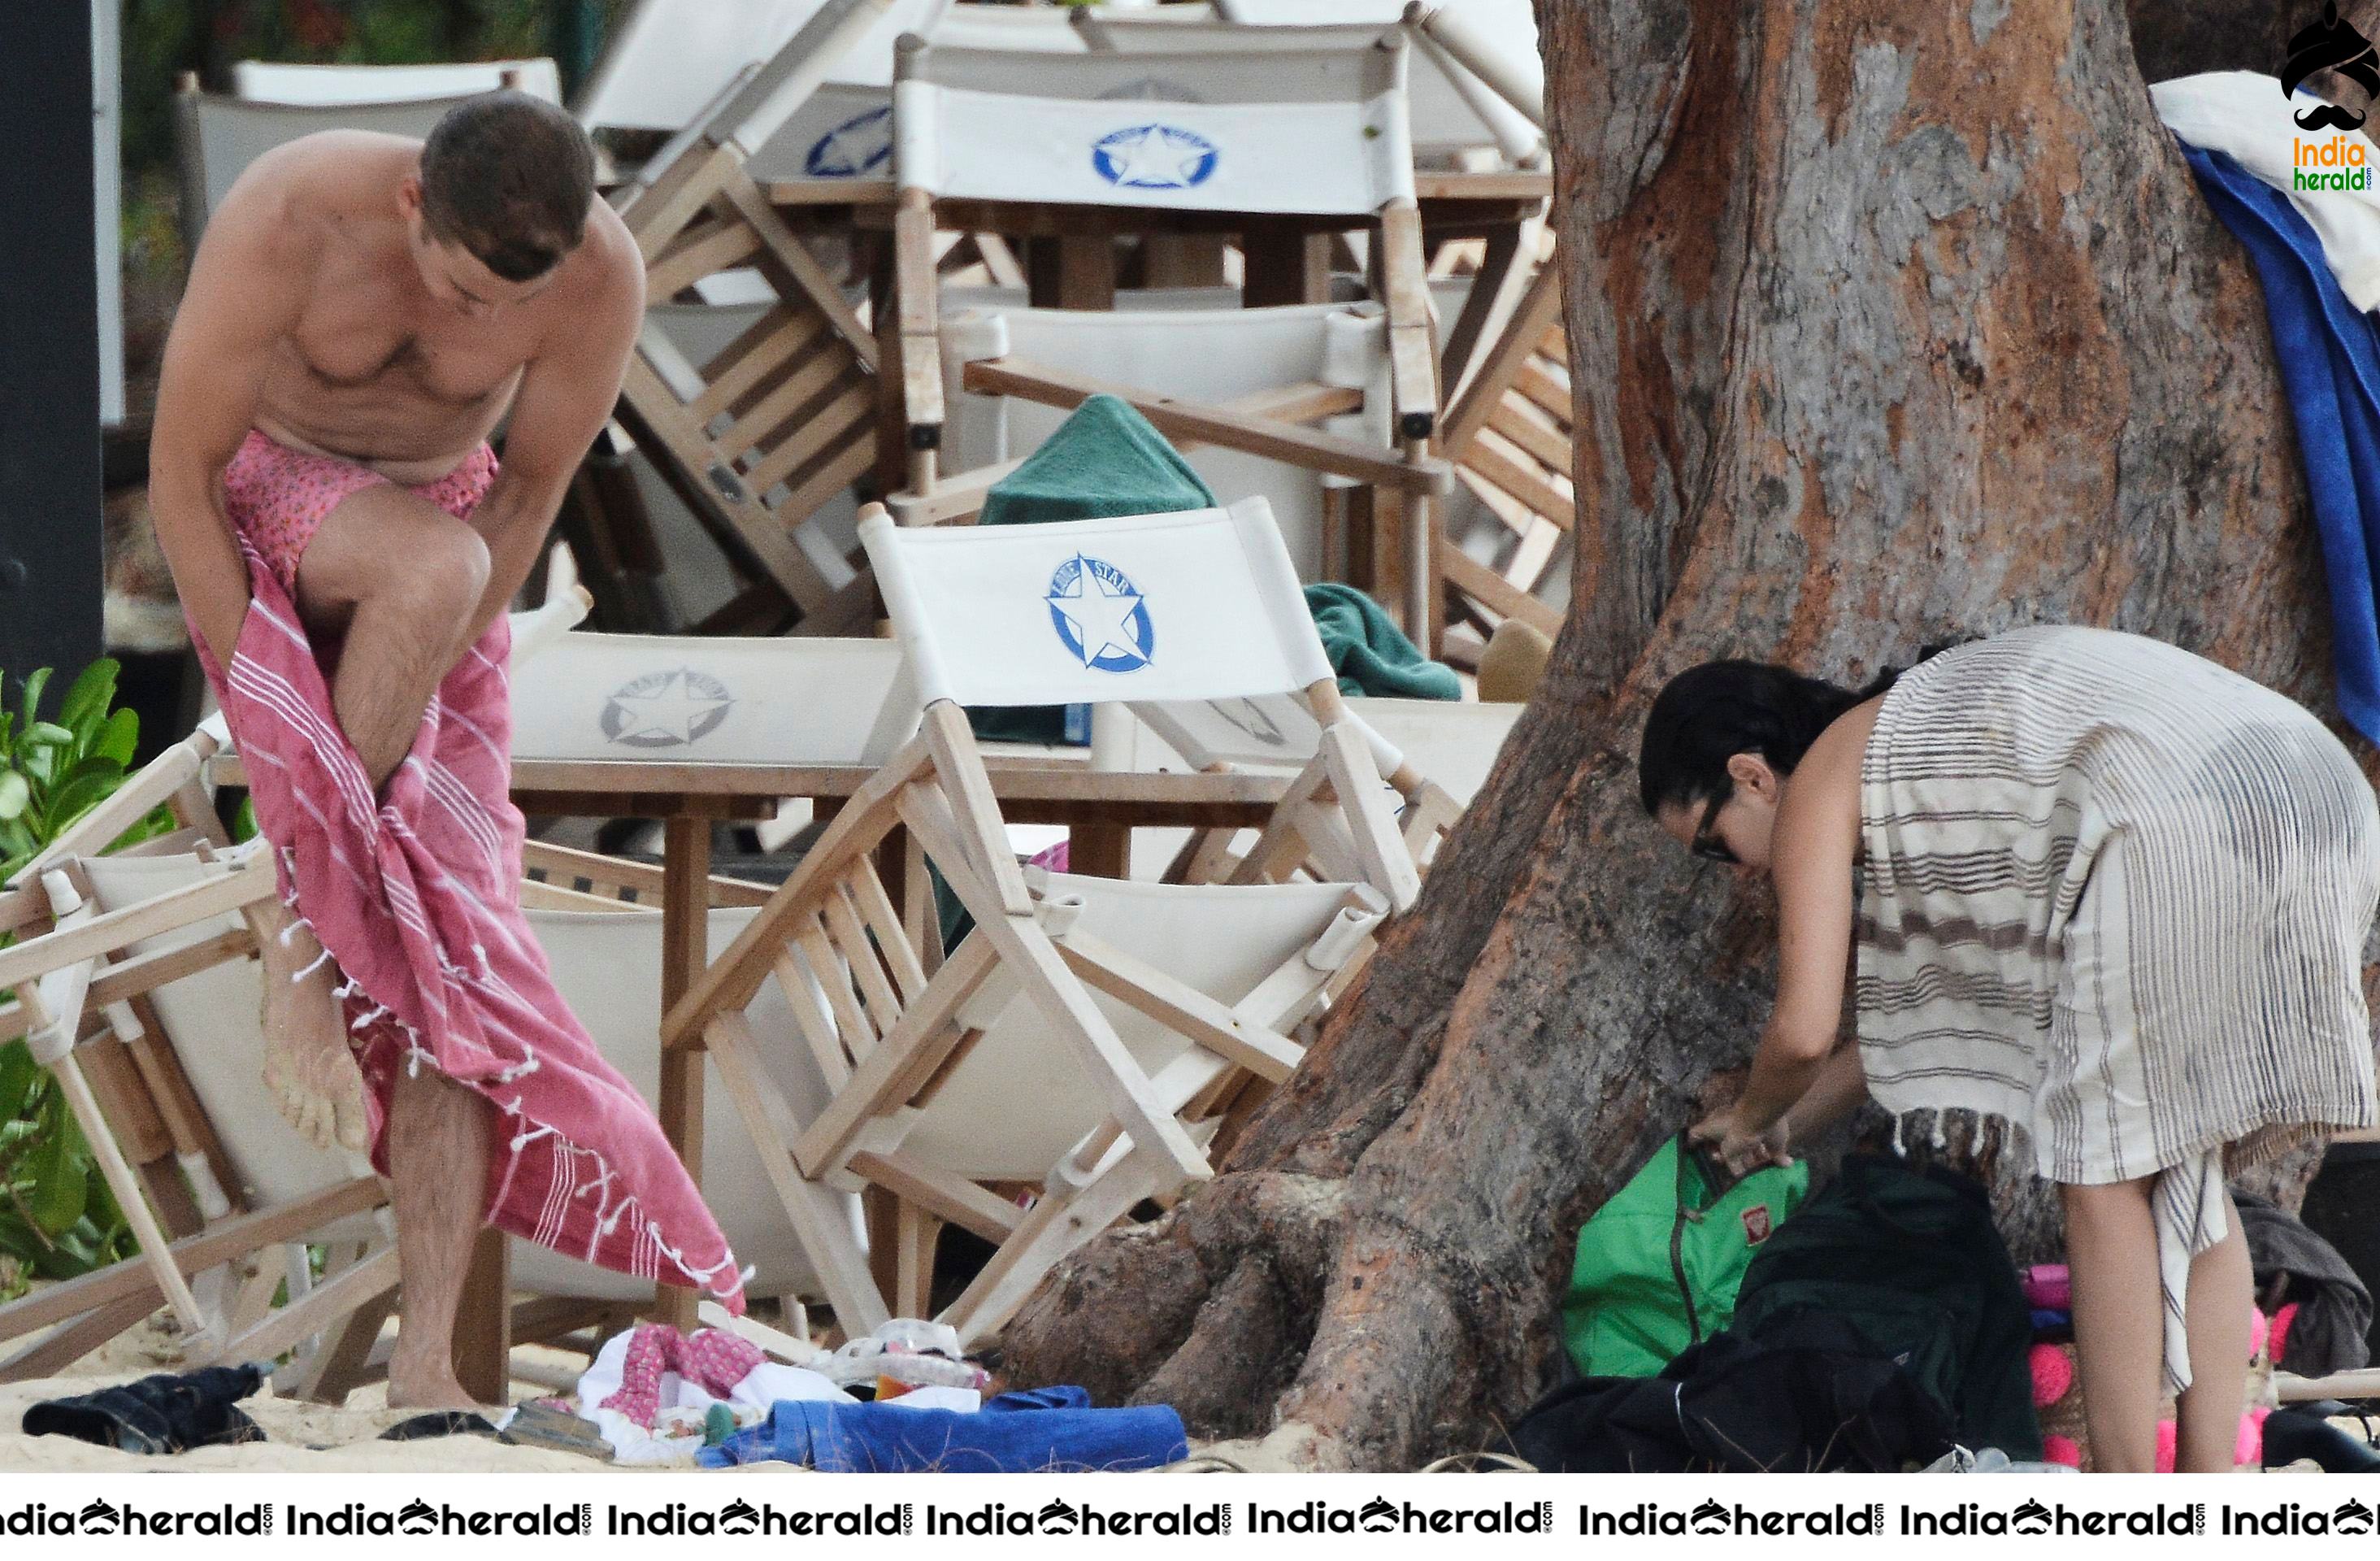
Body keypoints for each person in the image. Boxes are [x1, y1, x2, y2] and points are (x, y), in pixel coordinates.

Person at [148, 91, 737, 1407]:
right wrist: (270, 711)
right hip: (265, 508)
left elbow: (527, 490)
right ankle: (298, 938)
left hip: (452, 553)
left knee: (448, 945)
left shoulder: (597, 278)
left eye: (499, 310)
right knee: (431, 569)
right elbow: (182, 473)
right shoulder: (293, 213)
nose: (476, 325)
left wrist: (433, 704)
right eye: (458, 289)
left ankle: (426, 1374)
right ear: (414, 201)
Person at [1639, 626, 2380, 1472]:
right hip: (2317, 797)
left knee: (2100, 1179)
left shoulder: (1823, 781)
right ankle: (2207, 1501)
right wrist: (1783, 1127)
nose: (1729, 870)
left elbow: (1803, 1033)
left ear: (1751, 774)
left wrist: (1749, 1118)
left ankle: (2132, 1511)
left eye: (1710, 843)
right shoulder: (1927, 762)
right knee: (2191, 1175)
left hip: (2182, 817)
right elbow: (1893, 1031)